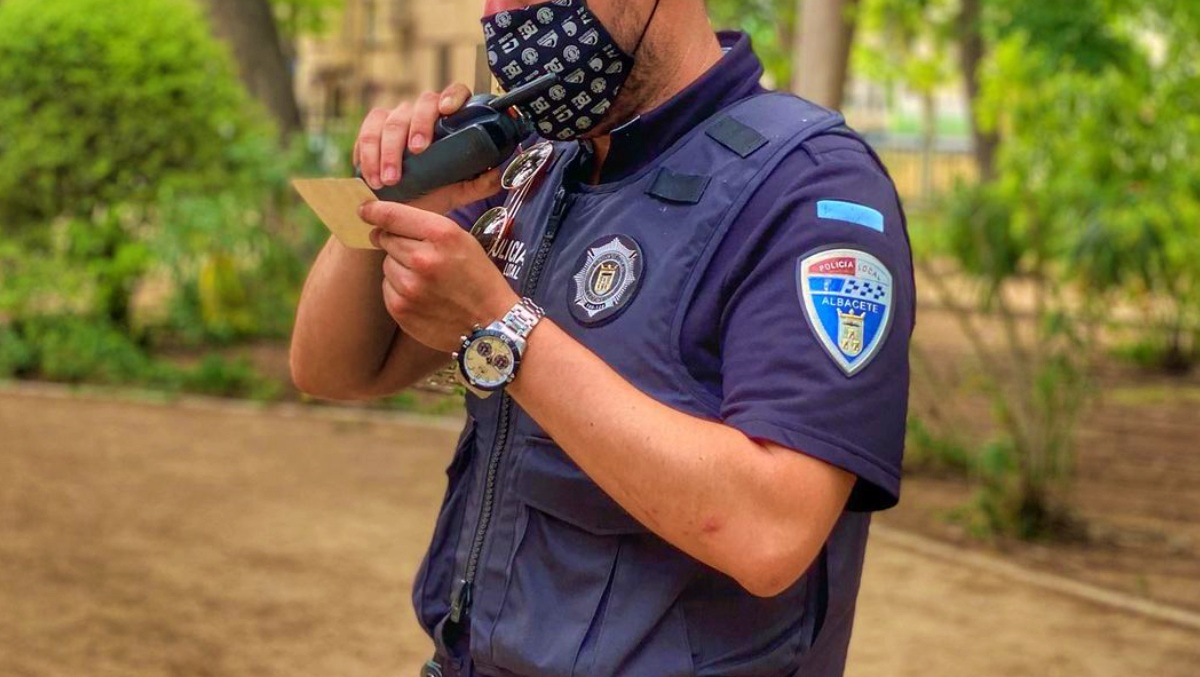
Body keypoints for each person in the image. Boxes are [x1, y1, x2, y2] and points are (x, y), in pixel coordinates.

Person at [290, 0, 915, 675]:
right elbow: (332, 368)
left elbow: (771, 531)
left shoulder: (810, 187)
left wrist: (504, 330)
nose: (501, 13)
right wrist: (387, 197)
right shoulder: (532, 165)